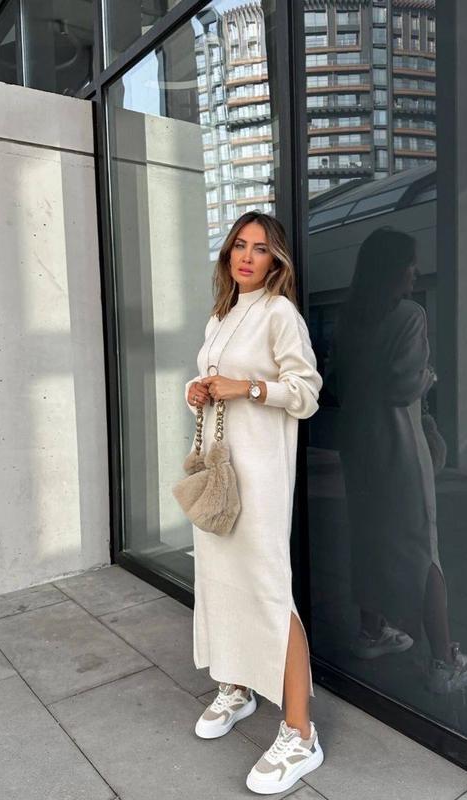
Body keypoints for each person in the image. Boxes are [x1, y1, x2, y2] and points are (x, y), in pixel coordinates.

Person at [184, 211, 324, 794]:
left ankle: (301, 733)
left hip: (260, 478)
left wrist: (250, 388)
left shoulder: (279, 313)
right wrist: (197, 391)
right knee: (220, 581)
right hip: (218, 474)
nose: (246, 256)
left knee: (268, 589)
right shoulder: (220, 316)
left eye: (259, 248)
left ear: (275, 260)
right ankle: (238, 688)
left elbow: (307, 391)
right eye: (238, 245)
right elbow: (212, 383)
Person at [331, 226, 467, 694]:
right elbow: (402, 386)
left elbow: (336, 383)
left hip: (359, 448)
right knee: (422, 546)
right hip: (398, 448)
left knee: (368, 537)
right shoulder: (410, 315)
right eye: (410, 263)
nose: (415, 272)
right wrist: (428, 377)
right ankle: (443, 662)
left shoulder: (347, 319)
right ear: (394, 269)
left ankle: (372, 632)